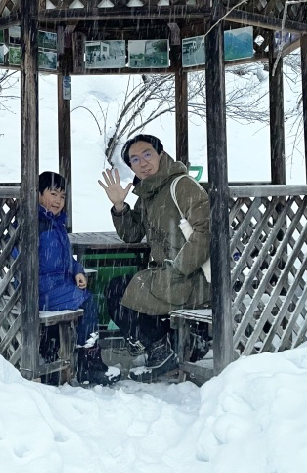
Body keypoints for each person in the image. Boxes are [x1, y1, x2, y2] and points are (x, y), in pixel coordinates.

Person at [97, 134, 210, 382]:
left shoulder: (182, 186)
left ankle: (164, 350)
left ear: (161, 153)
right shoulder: (149, 192)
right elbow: (133, 234)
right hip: (168, 277)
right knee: (120, 288)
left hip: (192, 279)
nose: (142, 163)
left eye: (147, 154)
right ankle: (166, 347)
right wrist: (119, 206)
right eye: (134, 160)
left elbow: (204, 231)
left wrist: (179, 269)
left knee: (124, 290)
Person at [37, 171, 119, 385]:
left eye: (62, 196)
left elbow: (66, 259)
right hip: (39, 289)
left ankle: (60, 357)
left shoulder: (56, 225)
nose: (58, 201)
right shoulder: (34, 225)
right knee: (86, 300)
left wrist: (77, 270)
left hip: (56, 287)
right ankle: (89, 364)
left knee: (85, 295)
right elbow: (24, 264)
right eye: (53, 193)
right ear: (37, 194)